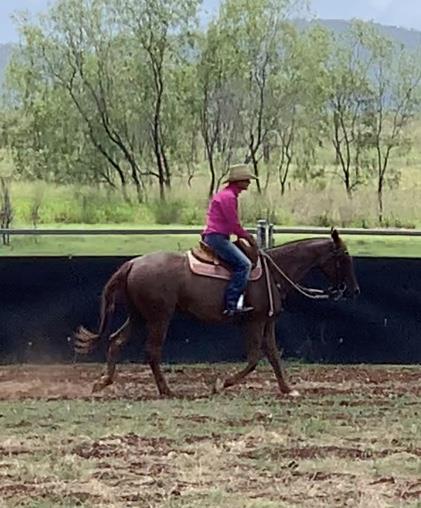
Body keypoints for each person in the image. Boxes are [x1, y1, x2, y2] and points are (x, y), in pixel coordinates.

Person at [202, 163, 258, 317]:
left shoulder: (226, 195)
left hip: (215, 236)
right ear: (238, 181)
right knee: (244, 265)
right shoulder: (229, 197)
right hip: (217, 238)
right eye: (246, 180)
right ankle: (231, 304)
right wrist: (247, 237)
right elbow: (233, 224)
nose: (249, 182)